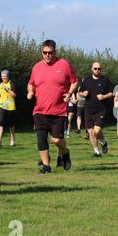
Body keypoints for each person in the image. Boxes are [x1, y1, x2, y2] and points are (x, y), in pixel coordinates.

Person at [27, 40, 77, 174]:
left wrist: (70, 93)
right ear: (41, 52)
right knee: (41, 138)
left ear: (55, 52)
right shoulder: (36, 67)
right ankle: (46, 166)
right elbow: (31, 83)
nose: (47, 55)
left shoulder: (64, 64)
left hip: (58, 111)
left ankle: (65, 153)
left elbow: (74, 81)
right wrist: (30, 92)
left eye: (50, 52)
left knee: (56, 139)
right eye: (45, 52)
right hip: (40, 109)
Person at [79, 62, 113, 157]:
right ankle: (96, 151)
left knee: (96, 131)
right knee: (90, 132)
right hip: (88, 109)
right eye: (95, 68)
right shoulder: (86, 80)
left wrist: (104, 96)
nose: (97, 70)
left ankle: (104, 142)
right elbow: (79, 92)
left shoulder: (105, 80)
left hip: (101, 109)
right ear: (91, 69)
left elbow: (112, 93)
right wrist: (83, 93)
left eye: (99, 69)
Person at [0, 70, 17, 147]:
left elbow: (14, 95)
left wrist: (8, 90)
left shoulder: (11, 84)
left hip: (10, 106)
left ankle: (12, 138)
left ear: (8, 76)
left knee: (11, 124)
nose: (3, 78)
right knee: (0, 121)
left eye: (5, 76)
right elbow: (0, 91)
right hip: (1, 105)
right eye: (2, 77)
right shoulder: (1, 84)